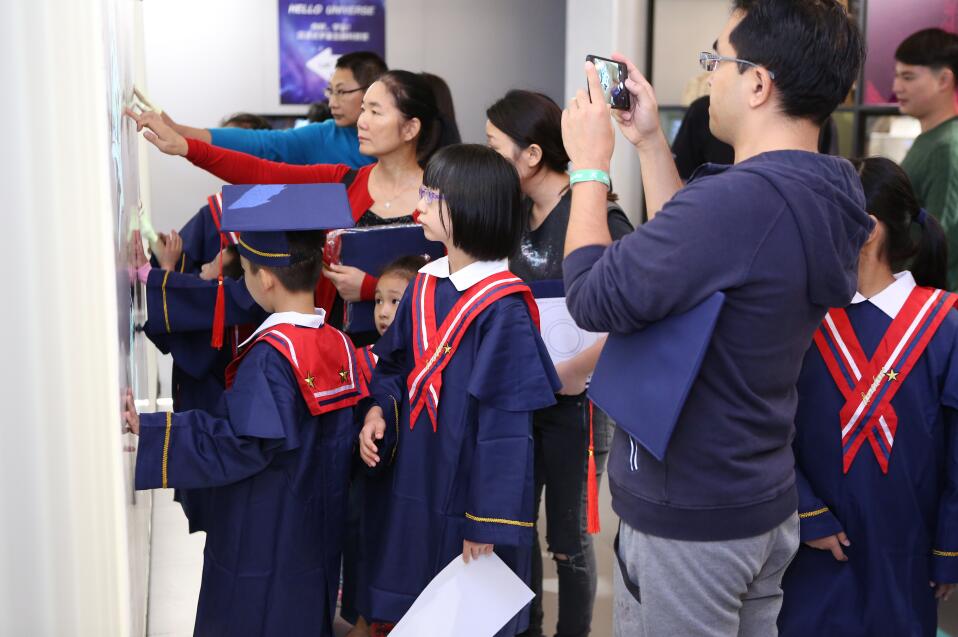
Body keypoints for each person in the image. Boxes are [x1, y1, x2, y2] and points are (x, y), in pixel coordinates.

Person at [559, 1, 871, 635]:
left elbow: (590, 295)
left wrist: (589, 168)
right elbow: (696, 265)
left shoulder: (739, 200)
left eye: (717, 60)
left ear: (758, 84)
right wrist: (649, 143)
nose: (709, 77)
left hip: (691, 510)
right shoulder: (825, 187)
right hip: (757, 493)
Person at [122, 199, 363, 637]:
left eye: (244, 272)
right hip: (316, 539)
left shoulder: (271, 357)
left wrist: (153, 429)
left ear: (265, 279)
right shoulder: (340, 345)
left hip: (264, 536)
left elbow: (239, 444)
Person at [356, 145, 560, 636]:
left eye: (431, 196)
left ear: (469, 207)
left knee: (467, 618)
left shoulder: (503, 307)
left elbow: (507, 428)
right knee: (418, 606)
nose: (418, 206)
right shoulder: (424, 284)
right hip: (418, 474)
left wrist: (486, 521)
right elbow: (394, 365)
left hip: (471, 487)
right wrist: (379, 410)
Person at [128, 70, 457, 342]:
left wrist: (371, 289)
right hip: (340, 356)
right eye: (363, 110)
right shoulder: (342, 183)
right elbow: (262, 172)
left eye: (375, 111)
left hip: (417, 360)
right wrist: (186, 146)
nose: (362, 121)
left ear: (410, 128)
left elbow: (458, 289)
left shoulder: (444, 198)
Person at [778, 156, 958, 636]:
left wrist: (949, 546)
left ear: (868, 230)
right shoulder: (803, 317)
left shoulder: (945, 324)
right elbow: (768, 424)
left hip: (907, 554)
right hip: (812, 550)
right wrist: (805, 509)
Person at [486, 88, 631, 637]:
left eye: (494, 147)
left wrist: (576, 370)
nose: (488, 159)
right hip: (521, 399)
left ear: (531, 155)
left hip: (579, 403)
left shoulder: (595, 214)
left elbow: (633, 315)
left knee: (568, 539)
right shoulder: (509, 217)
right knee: (515, 526)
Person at [343, 253, 428, 637]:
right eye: (378, 300)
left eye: (395, 301)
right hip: (373, 485)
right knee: (368, 551)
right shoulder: (362, 360)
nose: (382, 310)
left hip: (413, 483)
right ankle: (365, 620)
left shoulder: (428, 363)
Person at [161, 51, 388, 168]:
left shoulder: (401, 137)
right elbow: (265, 143)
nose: (332, 102)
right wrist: (182, 133)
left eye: (342, 91)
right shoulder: (324, 136)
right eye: (330, 91)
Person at [895, 28, 958, 289]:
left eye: (908, 77)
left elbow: (944, 237)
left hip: (934, 300)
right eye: (897, 75)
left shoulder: (947, 146)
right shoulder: (931, 140)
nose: (897, 87)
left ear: (944, 79)